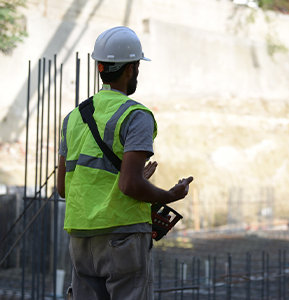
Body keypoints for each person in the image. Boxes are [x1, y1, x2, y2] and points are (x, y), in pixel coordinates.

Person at [55, 26, 194, 300]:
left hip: (81, 238)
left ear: (100, 67)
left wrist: (131, 176)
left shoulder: (73, 118)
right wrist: (170, 195)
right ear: (130, 69)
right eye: (138, 66)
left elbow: (63, 188)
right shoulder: (136, 115)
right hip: (123, 237)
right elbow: (129, 185)